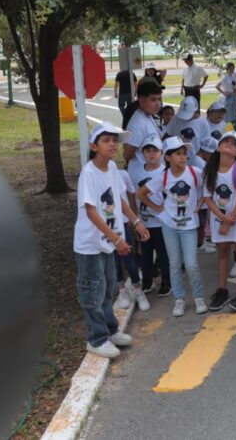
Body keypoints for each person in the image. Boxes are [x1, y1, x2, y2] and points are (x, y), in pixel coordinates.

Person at [75, 122, 150, 359]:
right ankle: (96, 339)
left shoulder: (114, 170)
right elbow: (91, 211)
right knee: (92, 291)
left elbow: (121, 202)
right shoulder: (89, 173)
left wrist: (136, 223)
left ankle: (110, 330)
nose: (112, 145)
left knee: (107, 288)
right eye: (107, 140)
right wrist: (117, 239)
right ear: (94, 145)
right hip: (90, 244)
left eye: (115, 140)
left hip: (108, 242)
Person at [137, 137, 207, 317]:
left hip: (189, 226)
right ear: (167, 157)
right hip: (169, 225)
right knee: (174, 264)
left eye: (184, 153)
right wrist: (159, 209)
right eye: (178, 154)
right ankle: (179, 299)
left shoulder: (195, 172)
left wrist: (198, 206)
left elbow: (207, 190)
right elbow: (141, 194)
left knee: (191, 264)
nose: (183, 157)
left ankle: (199, 297)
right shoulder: (163, 176)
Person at [203, 133, 236, 312]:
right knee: (222, 252)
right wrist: (223, 219)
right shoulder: (211, 170)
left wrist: (230, 220)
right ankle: (221, 290)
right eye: (226, 141)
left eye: (234, 143)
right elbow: (208, 198)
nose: (229, 144)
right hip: (219, 219)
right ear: (218, 147)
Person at [128, 134, 170, 297]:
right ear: (142, 153)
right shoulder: (137, 171)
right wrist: (134, 217)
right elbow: (133, 195)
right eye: (147, 150)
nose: (151, 154)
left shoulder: (166, 172)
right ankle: (147, 280)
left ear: (161, 153)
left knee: (162, 253)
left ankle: (166, 282)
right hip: (144, 221)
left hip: (161, 222)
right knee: (145, 253)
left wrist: (162, 208)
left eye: (155, 150)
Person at [115, 164, 151, 313]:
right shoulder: (90, 174)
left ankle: (138, 290)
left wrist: (134, 217)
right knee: (114, 261)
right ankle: (122, 290)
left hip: (122, 222)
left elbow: (129, 194)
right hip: (105, 226)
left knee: (129, 259)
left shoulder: (121, 174)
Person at [123, 79, 163, 165]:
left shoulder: (148, 114)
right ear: (141, 100)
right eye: (153, 100)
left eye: (159, 99)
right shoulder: (137, 124)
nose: (158, 103)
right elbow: (127, 155)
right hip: (144, 174)